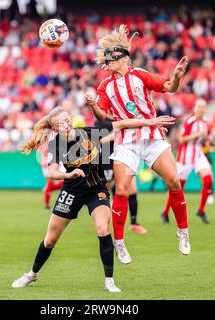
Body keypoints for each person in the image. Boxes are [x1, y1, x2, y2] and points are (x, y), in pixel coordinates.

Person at [12, 107, 175, 292]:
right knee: (50, 240)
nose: (66, 124)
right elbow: (52, 171)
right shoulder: (55, 145)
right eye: (60, 123)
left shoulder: (90, 132)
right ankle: (32, 274)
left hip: (97, 188)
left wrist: (151, 122)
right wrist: (69, 174)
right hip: (72, 191)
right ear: (55, 129)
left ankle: (109, 281)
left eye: (67, 119)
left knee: (103, 228)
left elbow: (121, 124)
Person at [86, 25, 190, 264]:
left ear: (125, 58)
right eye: (108, 58)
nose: (109, 61)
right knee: (121, 190)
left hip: (152, 136)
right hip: (126, 142)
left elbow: (169, 88)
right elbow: (103, 116)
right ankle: (119, 243)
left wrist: (176, 76)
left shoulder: (140, 75)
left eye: (113, 57)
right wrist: (92, 104)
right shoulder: (105, 86)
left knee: (173, 180)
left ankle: (183, 232)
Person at [162, 99, 214, 224]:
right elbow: (182, 139)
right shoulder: (190, 121)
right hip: (186, 156)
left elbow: (205, 137)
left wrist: (207, 141)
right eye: (199, 106)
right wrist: (198, 135)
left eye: (203, 107)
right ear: (195, 108)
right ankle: (165, 212)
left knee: (208, 180)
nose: (201, 109)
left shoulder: (206, 122)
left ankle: (201, 210)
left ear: (205, 109)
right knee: (178, 187)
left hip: (198, 153)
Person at [37, 141, 63, 209]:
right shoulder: (44, 161)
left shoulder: (52, 156)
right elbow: (50, 180)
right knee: (48, 187)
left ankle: (47, 205)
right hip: (62, 177)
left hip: (64, 176)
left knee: (48, 188)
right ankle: (47, 205)